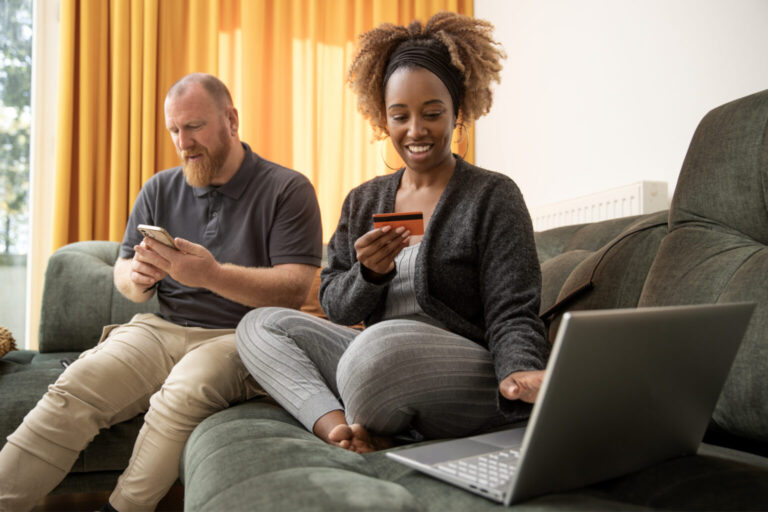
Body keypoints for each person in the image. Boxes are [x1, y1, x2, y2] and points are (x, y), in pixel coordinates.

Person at [0, 73, 322, 511]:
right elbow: (124, 274)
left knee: (184, 392)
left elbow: (293, 289)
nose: (182, 141)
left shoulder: (288, 188)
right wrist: (137, 276)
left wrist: (209, 275)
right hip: (162, 327)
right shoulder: (159, 187)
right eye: (173, 129)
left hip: (242, 335)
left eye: (193, 126)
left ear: (231, 120)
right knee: (74, 388)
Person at [236, 12, 550, 454]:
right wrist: (369, 274)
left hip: (460, 370)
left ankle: (377, 418)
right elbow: (335, 305)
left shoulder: (492, 195)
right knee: (259, 324)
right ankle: (341, 429)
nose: (415, 130)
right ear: (383, 119)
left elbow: (513, 309)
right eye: (400, 116)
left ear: (458, 112)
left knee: (377, 349)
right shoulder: (364, 201)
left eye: (433, 113)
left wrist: (520, 368)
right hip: (376, 366)